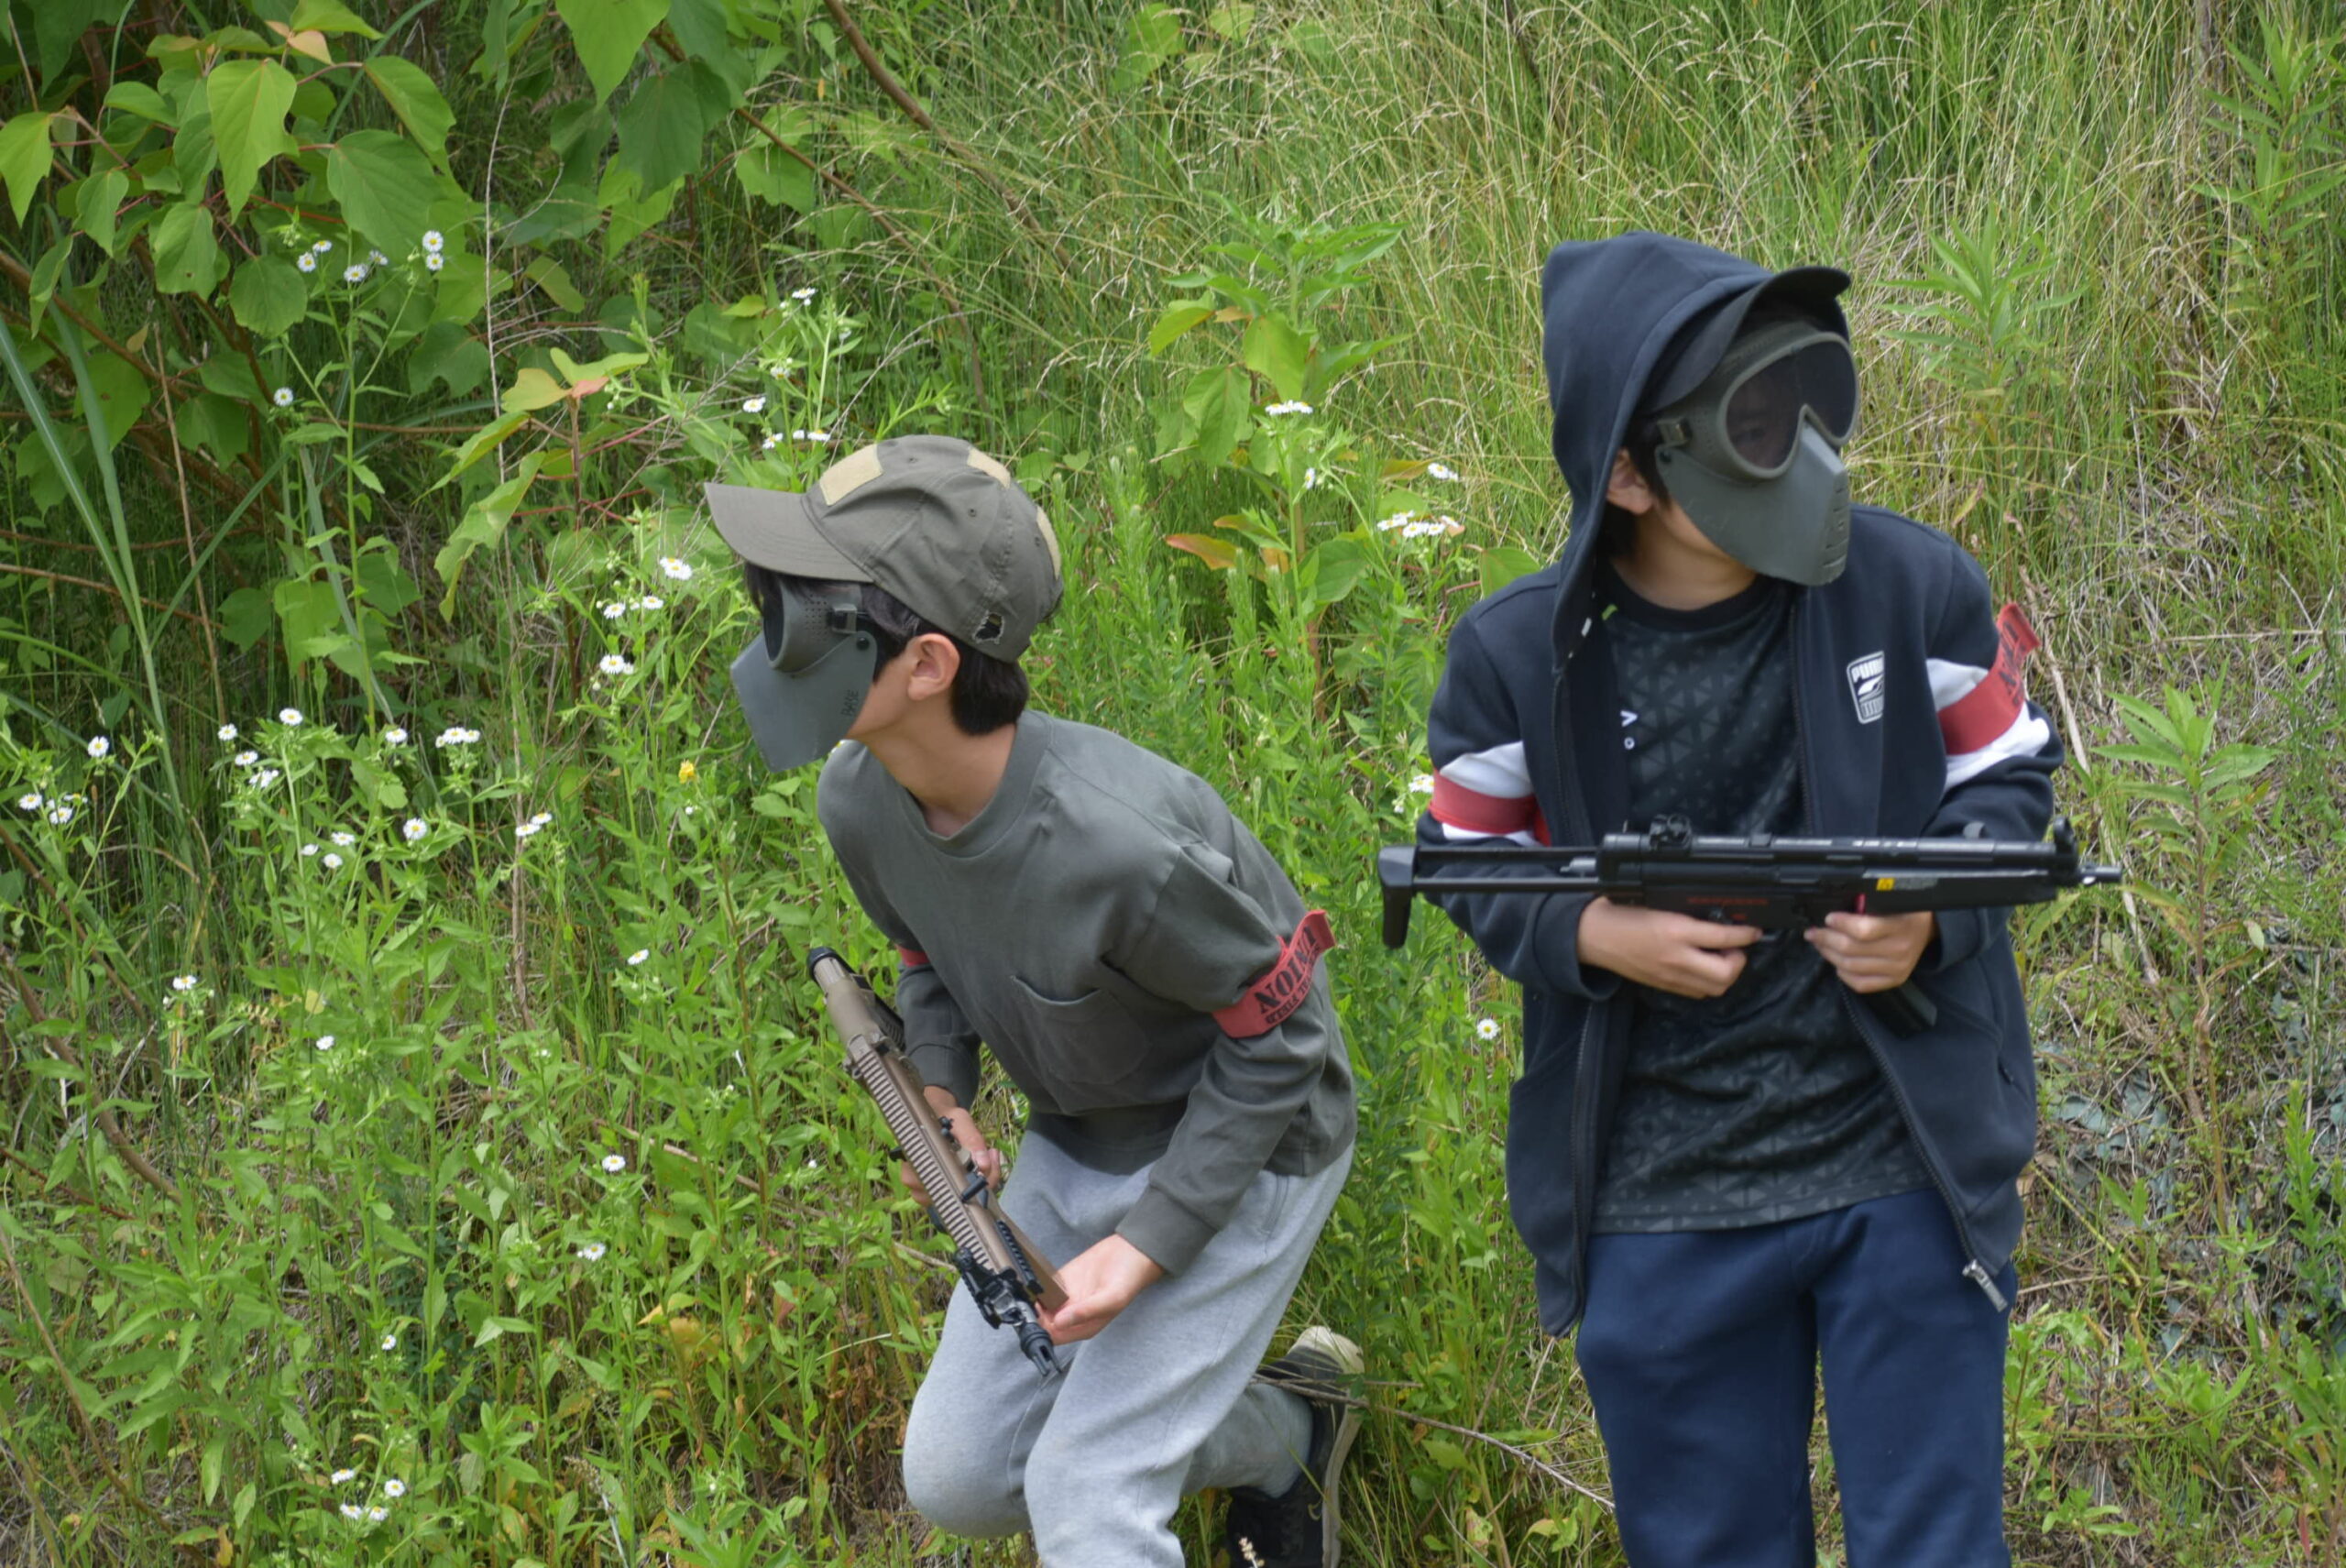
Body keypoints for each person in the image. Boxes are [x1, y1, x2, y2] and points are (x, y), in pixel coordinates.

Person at [1416, 233, 2062, 1566]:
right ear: (1632, 473)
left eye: (1808, 405)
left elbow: (2007, 782)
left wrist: (1929, 914)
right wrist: (1591, 931)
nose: (1802, 454)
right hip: (1659, 1196)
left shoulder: (1908, 588)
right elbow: (1467, 861)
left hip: (1902, 1162)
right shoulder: (1519, 659)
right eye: (1753, 428)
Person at [707, 434, 1362, 1568]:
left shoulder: (1120, 848)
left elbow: (1286, 1040)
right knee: (958, 1476)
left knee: (1087, 1490)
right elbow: (925, 951)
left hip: (1254, 1142)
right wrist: (942, 1085)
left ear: (925, 664)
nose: (773, 634)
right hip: (1081, 1132)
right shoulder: (860, 798)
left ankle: (1184, 1433)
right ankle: (1289, 1437)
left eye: (806, 612)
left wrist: (1147, 1246)